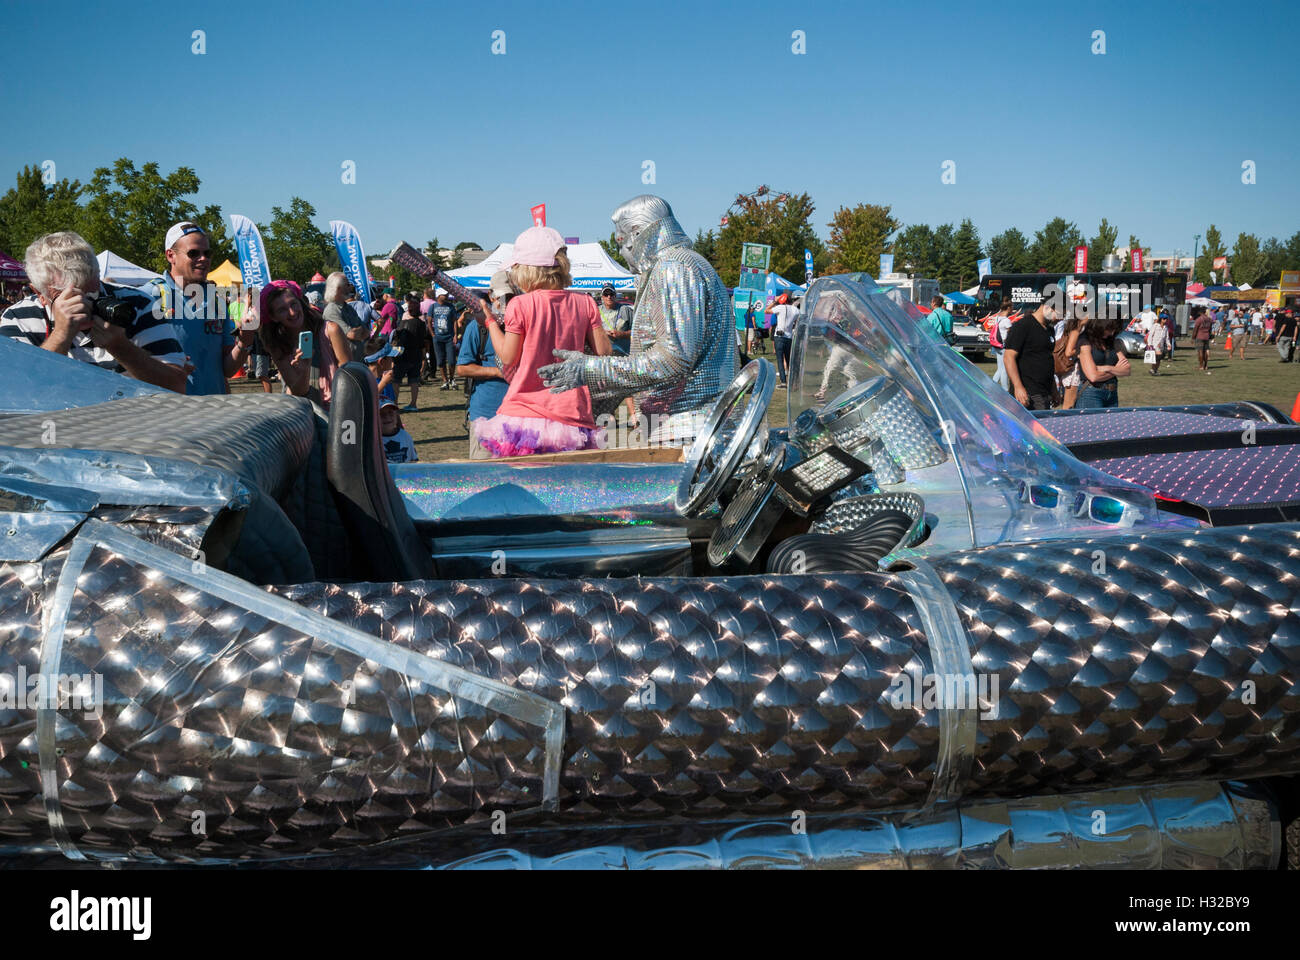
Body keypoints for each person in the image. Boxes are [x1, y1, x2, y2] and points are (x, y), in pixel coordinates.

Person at [537, 195, 738, 446]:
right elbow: (658, 366)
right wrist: (597, 402)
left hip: (688, 429)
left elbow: (675, 358)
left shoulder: (674, 267)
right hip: (688, 426)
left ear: (637, 234)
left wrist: (590, 368)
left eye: (621, 242)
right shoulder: (680, 264)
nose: (621, 253)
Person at [472, 227, 612, 457]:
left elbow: (508, 358)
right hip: (572, 415)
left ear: (526, 269)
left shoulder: (520, 305)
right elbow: (604, 353)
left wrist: (489, 322)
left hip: (525, 414)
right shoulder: (586, 303)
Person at [1, 231, 188, 392]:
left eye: (91, 293)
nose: (83, 305)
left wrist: (121, 347)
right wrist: (60, 336)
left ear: (98, 276)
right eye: (68, 297)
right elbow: (16, 391)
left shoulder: (136, 304)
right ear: (39, 293)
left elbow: (176, 386)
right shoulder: (17, 319)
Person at [142, 221, 251, 394]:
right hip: (168, 414)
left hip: (215, 411)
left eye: (207, 253)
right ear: (171, 256)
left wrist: (244, 342)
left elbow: (228, 370)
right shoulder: (148, 296)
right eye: (194, 253)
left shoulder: (216, 299)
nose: (203, 259)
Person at [257, 280, 344, 405]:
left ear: (300, 302)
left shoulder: (330, 330)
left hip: (336, 408)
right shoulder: (277, 345)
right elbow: (299, 391)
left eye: (293, 304)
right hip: (302, 412)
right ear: (274, 317)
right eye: (282, 310)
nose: (292, 312)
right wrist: (305, 369)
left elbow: (349, 376)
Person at [455, 271, 513, 459]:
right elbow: (462, 368)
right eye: (501, 298)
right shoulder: (477, 327)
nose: (505, 303)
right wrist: (497, 372)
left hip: (519, 418)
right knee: (484, 478)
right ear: (491, 296)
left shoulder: (523, 327)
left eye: (510, 297)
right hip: (486, 416)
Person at [1003, 297, 1057, 410]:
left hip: (1045, 390)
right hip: (1029, 391)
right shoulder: (1023, 326)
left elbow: (1047, 359)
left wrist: (1054, 388)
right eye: (1058, 313)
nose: (1060, 318)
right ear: (1047, 307)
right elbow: (1009, 357)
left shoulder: (1050, 330)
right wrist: (1018, 387)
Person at [1077, 315, 1130, 408]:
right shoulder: (1085, 341)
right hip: (1091, 393)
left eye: (1115, 330)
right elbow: (1093, 376)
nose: (1112, 333)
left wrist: (1107, 368)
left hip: (1112, 393)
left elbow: (1127, 370)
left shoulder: (1111, 342)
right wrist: (1116, 370)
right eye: (1110, 329)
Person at [322, 272, 369, 362]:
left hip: (356, 361)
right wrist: (358, 331)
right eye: (347, 285)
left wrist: (356, 331)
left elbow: (366, 332)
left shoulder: (348, 308)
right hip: (344, 365)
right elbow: (352, 334)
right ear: (338, 288)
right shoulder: (332, 310)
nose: (350, 288)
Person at [427, 291, 457, 390]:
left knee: (452, 361)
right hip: (438, 337)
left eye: (447, 294)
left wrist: (455, 335)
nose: (447, 296)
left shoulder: (451, 306)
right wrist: (433, 334)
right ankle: (445, 381)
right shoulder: (433, 307)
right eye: (444, 294)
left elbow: (454, 321)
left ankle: (452, 379)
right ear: (438, 296)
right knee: (440, 361)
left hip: (449, 337)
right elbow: (429, 321)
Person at [769, 292, 800, 387]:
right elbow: (799, 320)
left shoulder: (780, 307)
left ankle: (783, 382)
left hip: (779, 336)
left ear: (783, 299)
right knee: (789, 360)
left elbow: (766, 310)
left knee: (780, 360)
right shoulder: (796, 310)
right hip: (789, 337)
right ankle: (794, 381)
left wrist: (775, 301)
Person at [1057, 306, 1086, 409]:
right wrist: (1083, 350)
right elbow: (1069, 352)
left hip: (1073, 368)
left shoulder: (1073, 327)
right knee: (1069, 404)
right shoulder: (1077, 329)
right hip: (1073, 369)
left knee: (1071, 403)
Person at [379, 398, 419, 464]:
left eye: (390, 413)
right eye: (381, 414)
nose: (387, 417)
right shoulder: (374, 440)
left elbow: (414, 461)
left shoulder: (405, 436)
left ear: (396, 415)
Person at [597, 286, 633, 356]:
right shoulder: (596, 311)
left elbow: (637, 332)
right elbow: (589, 331)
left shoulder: (625, 310)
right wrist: (602, 332)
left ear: (615, 295)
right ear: (602, 297)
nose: (609, 297)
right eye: (606, 294)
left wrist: (623, 334)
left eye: (611, 294)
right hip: (602, 355)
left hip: (623, 355)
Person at [366, 339, 402, 405]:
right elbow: (367, 402)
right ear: (382, 362)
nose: (393, 363)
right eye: (391, 359)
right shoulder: (365, 382)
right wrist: (383, 383)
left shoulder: (386, 380)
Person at [987, 303, 1014, 391]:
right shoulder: (1006, 320)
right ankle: (1005, 389)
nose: (1012, 310)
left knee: (1000, 368)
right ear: (1008, 308)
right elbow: (1010, 335)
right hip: (1003, 345)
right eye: (1012, 308)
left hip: (996, 345)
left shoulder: (997, 317)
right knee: (1004, 369)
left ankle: (992, 385)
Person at [1191, 305, 1214, 373]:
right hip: (1206, 336)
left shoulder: (1199, 319)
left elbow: (1195, 329)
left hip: (1200, 336)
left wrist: (1193, 338)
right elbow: (1210, 329)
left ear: (1200, 312)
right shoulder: (1209, 319)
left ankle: (1201, 366)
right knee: (1205, 352)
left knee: (1200, 351)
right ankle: (1205, 365)